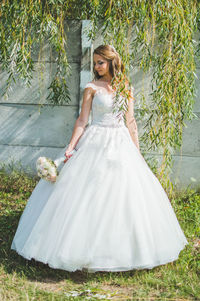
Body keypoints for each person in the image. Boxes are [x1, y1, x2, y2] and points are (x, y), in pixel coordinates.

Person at [11, 45, 188, 273]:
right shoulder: (91, 88)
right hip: (95, 141)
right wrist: (71, 147)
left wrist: (137, 152)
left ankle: (122, 249)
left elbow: (131, 122)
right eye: (94, 63)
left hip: (120, 142)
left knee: (125, 196)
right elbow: (83, 120)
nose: (96, 67)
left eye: (100, 62)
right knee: (87, 194)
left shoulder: (126, 87)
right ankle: (80, 247)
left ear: (112, 61)